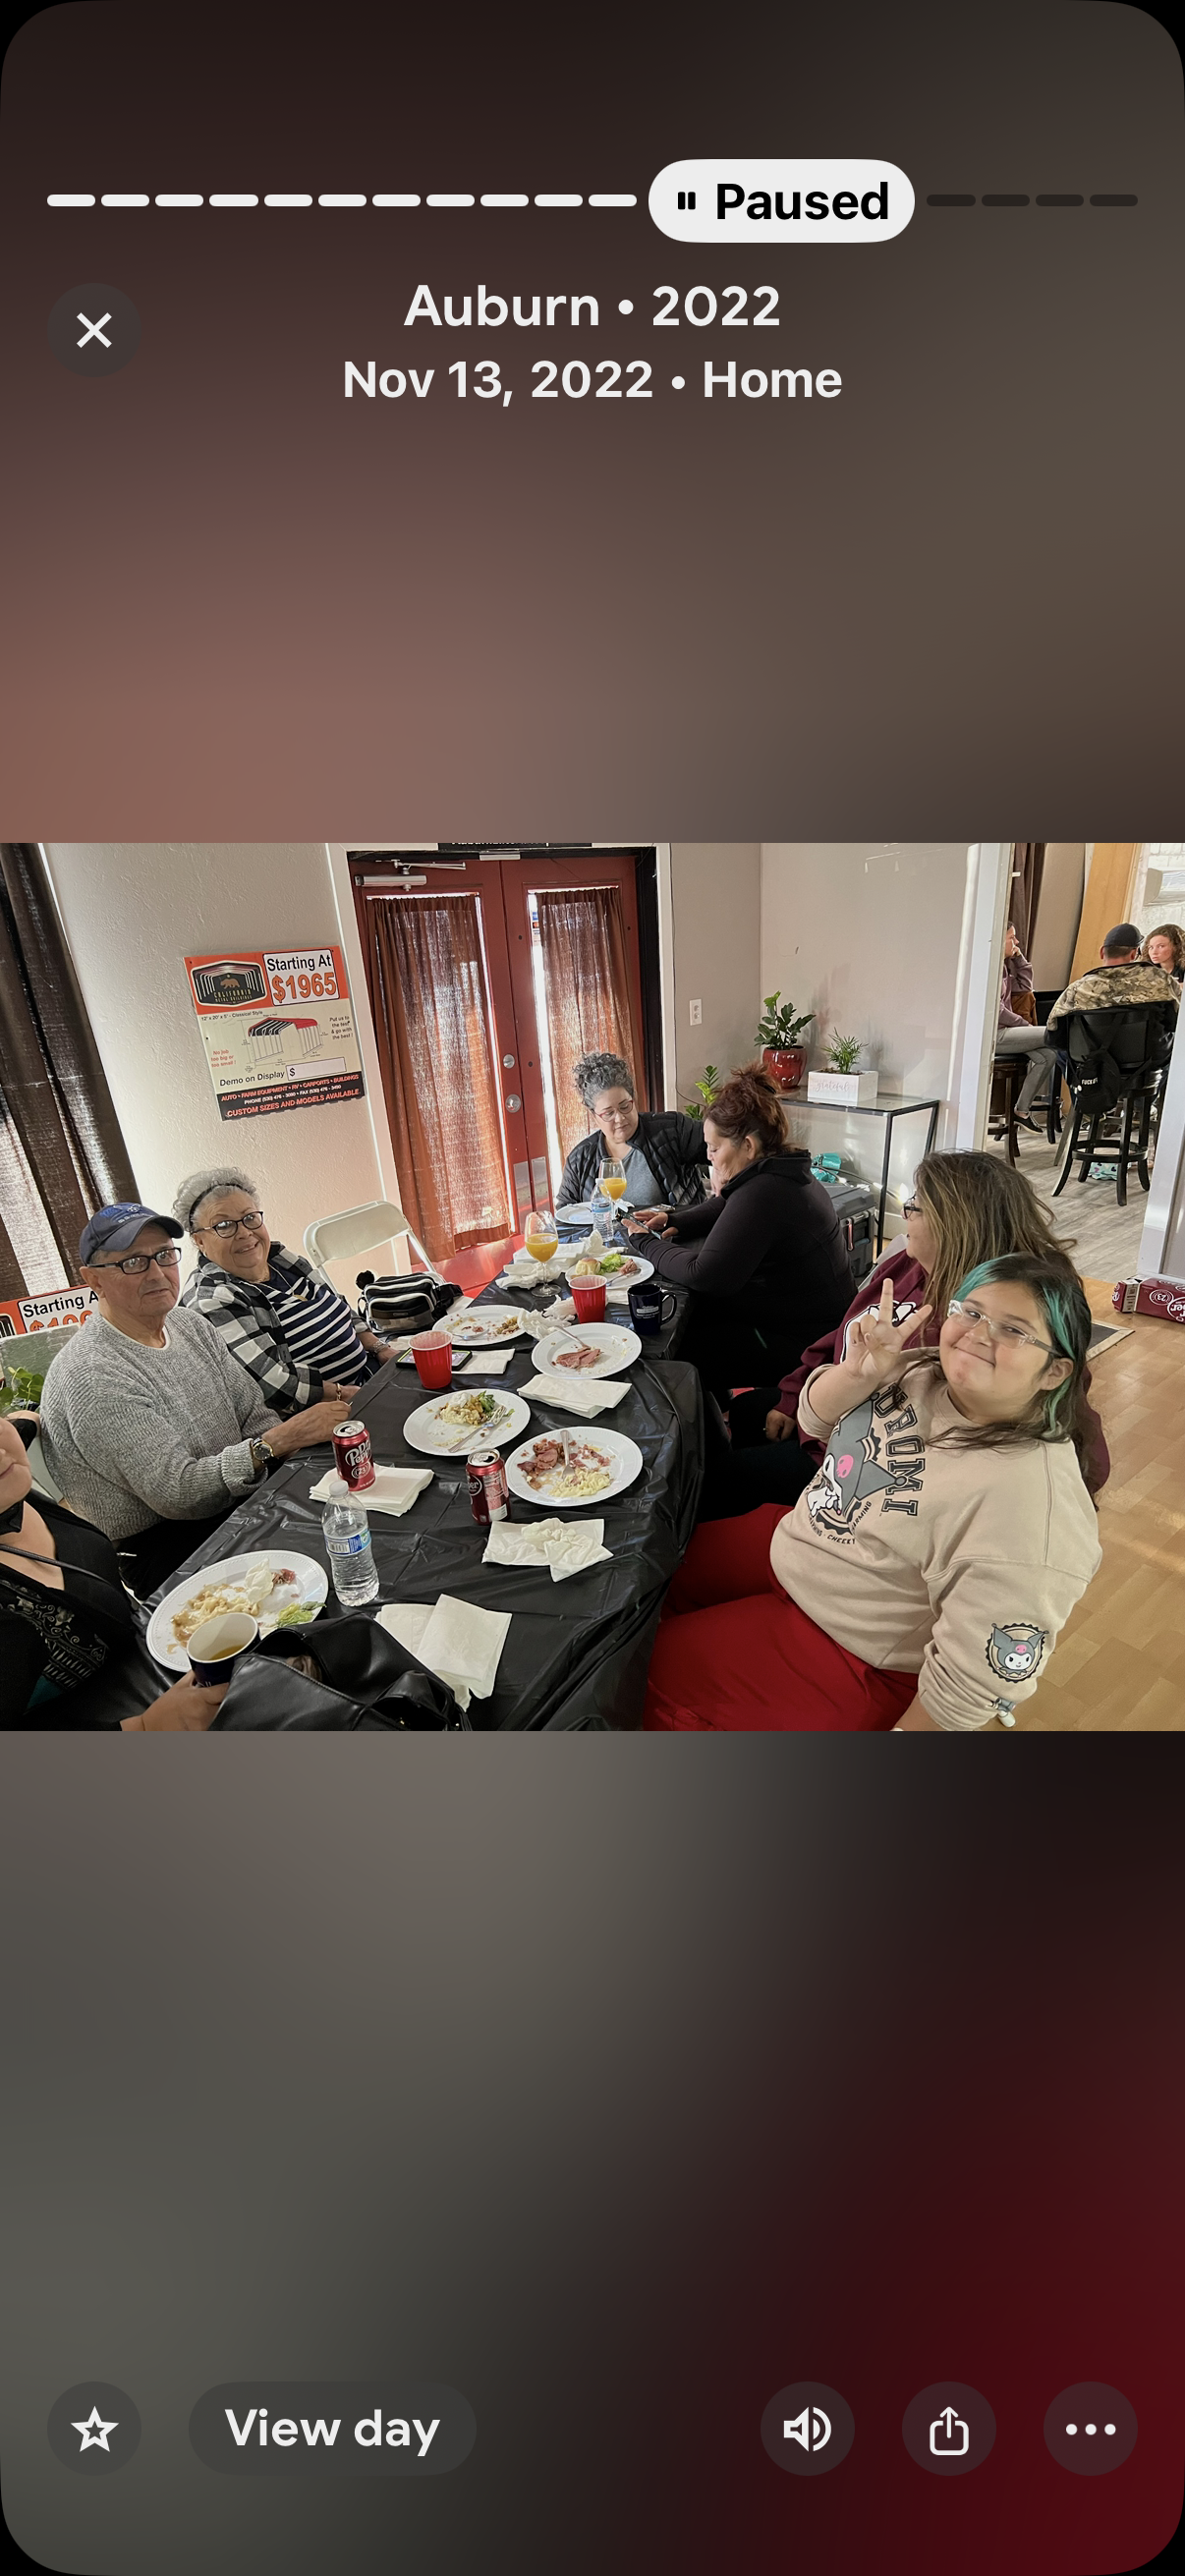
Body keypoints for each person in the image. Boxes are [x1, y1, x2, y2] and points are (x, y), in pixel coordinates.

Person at [645, 1254, 1101, 1733]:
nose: (978, 1333)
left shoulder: (1034, 1513)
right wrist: (857, 1373)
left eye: (1013, 1330)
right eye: (972, 1311)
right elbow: (813, 1419)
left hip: (849, 1647)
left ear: (1055, 1372)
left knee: (643, 1673)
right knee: (643, 1575)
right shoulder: (923, 1371)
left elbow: (975, 1683)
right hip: (809, 1542)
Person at [701, 1148, 1109, 1517]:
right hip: (840, 1410)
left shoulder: (989, 1319)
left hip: (871, 1459)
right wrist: (793, 1395)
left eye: (915, 1206)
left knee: (719, 1481)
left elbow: (1071, 1433)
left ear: (954, 1223)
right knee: (750, 1411)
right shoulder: (907, 1267)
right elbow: (843, 1336)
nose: (906, 1214)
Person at [37, 1204, 356, 1595]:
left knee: (355, 1522)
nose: (156, 1273)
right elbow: (179, 1494)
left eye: (165, 1255)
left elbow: (254, 1413)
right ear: (94, 1280)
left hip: (238, 1498)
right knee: (328, 1581)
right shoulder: (95, 1376)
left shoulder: (188, 1324)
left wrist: (272, 1448)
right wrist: (278, 1442)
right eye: (133, 1262)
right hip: (167, 1545)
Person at [624, 1064, 854, 1399]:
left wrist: (644, 1242)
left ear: (746, 1145)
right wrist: (673, 1219)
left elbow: (704, 1275)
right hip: (810, 1323)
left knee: (675, 1356)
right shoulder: (780, 1169)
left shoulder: (766, 1192)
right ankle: (715, 1413)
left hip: (806, 1346)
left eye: (715, 1149)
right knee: (690, 1318)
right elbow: (728, 1205)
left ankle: (709, 1442)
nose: (709, 1157)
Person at [0, 1411, 227, 1728]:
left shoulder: (8, 1479)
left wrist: (28, 1422)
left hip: (167, 1670)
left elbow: (21, 1424)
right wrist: (145, 1728)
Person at [175, 1165, 399, 1413]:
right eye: (224, 1225)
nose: (245, 1233)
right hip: (321, 1418)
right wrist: (347, 1394)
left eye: (250, 1218)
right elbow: (274, 1386)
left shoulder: (280, 1259)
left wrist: (379, 1348)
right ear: (199, 1240)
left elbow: (339, 1307)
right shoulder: (212, 1298)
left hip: (369, 1380)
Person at [555, 1052, 706, 1211]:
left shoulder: (671, 1129)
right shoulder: (580, 1159)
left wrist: (722, 1178)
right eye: (608, 1113)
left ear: (634, 1099)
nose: (620, 1118)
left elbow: (725, 1144)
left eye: (625, 1106)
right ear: (594, 1116)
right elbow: (565, 1215)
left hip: (673, 1234)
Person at [1046, 923, 1180, 1028]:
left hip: (1089, 1060)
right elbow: (1176, 1023)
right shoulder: (1162, 982)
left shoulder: (1078, 988)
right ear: (1134, 954)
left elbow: (1054, 1036)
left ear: (1101, 952)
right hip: (1150, 1059)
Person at [992, 922, 1058, 1126]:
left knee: (1048, 1055)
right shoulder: (989, 970)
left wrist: (1019, 958)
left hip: (1008, 1031)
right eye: (1012, 938)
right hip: (997, 1035)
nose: (1017, 941)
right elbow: (997, 1011)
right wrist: (1023, 1025)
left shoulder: (1002, 967)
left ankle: (1021, 1112)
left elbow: (1025, 987)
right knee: (1056, 1034)